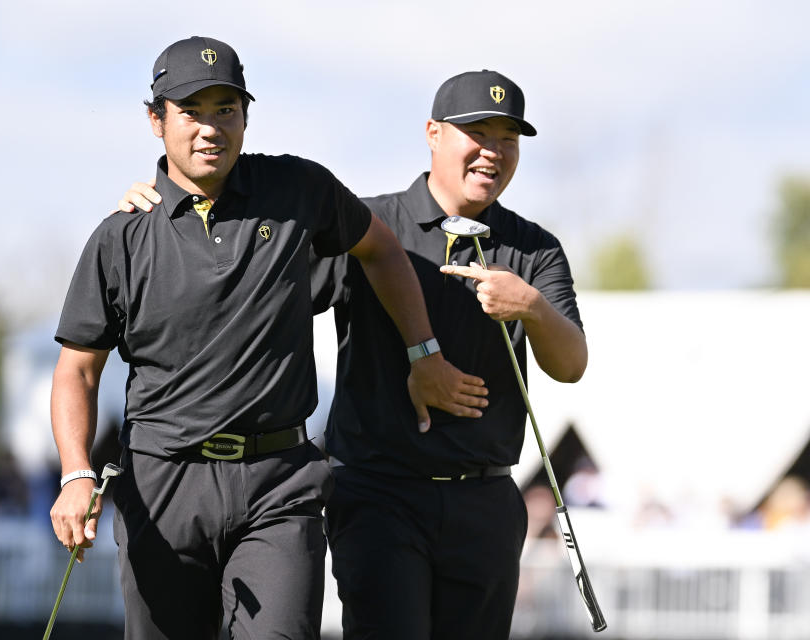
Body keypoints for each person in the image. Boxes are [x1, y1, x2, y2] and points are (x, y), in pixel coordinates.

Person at [119, 70, 587, 638]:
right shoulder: (369, 225)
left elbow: (571, 365)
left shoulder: (535, 249)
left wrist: (533, 306)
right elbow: (246, 289)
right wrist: (170, 199)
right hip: (378, 495)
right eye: (477, 133)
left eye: (507, 139)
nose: (492, 152)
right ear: (434, 134)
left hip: (486, 499)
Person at [50, 37, 483, 640]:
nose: (210, 128)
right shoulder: (120, 237)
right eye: (191, 111)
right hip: (163, 484)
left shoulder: (299, 190)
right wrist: (76, 475)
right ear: (156, 120)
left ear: (246, 116)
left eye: (226, 109)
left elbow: (381, 249)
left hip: (279, 482)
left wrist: (424, 352)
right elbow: (78, 371)